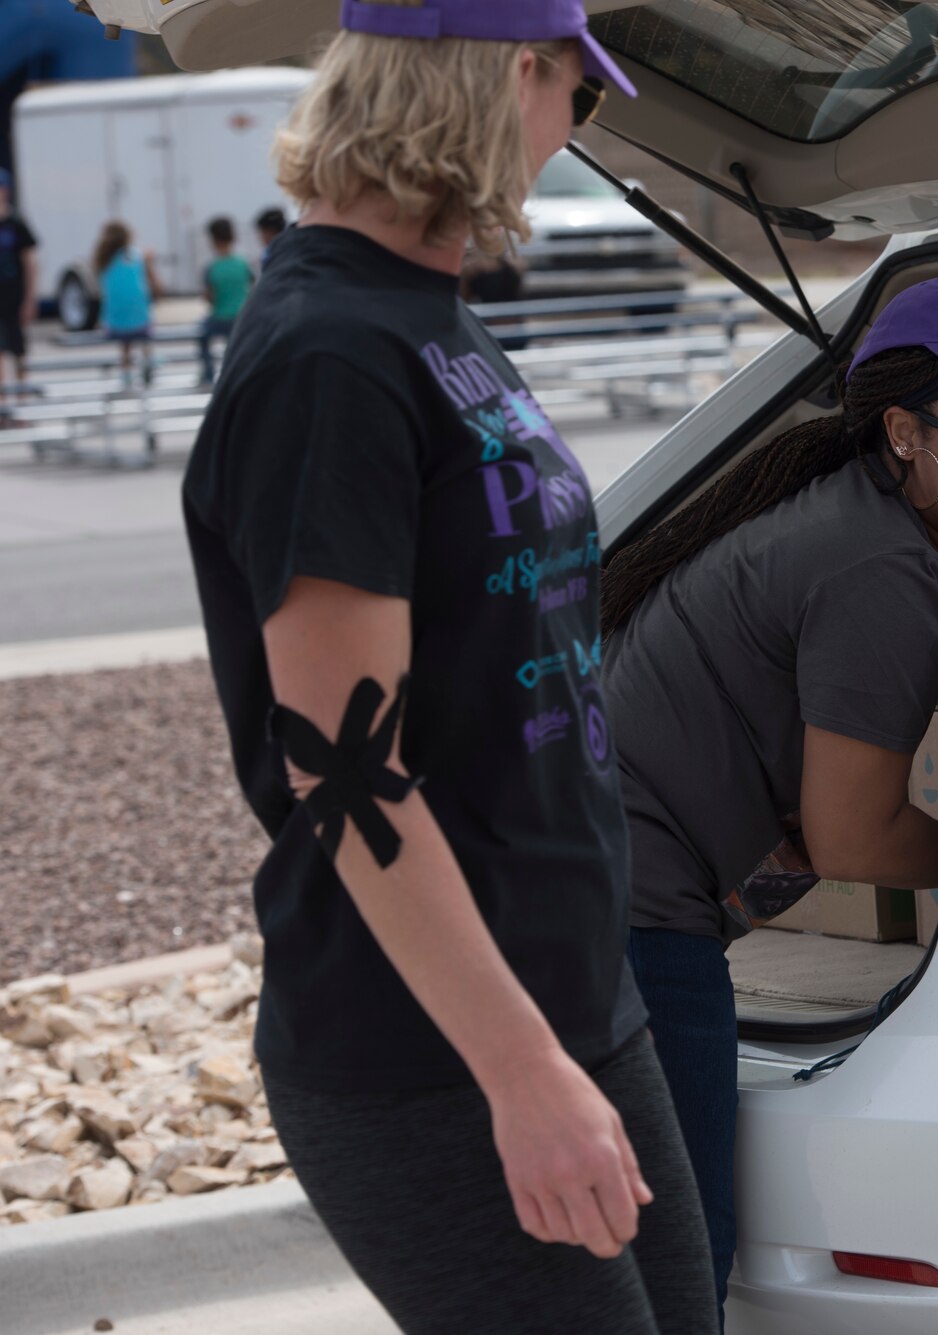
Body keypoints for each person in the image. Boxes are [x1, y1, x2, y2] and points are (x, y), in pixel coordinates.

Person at [179, 1, 717, 1331]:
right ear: (514, 75)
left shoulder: (427, 315)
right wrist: (519, 1071)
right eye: (578, 101)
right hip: (431, 1047)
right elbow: (344, 767)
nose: (569, 137)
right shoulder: (327, 354)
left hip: (572, 994)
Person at [599, 274, 938, 1314]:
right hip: (625, 924)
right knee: (673, 1272)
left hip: (589, 889)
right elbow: (854, 837)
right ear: (906, 434)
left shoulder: (872, 512)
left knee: (621, 1266)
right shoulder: (882, 570)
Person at [93, 221, 154, 389]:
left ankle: (126, 371)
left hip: (114, 322)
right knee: (143, 327)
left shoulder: (102, 259)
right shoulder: (134, 255)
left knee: (125, 342)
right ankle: (148, 359)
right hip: (140, 319)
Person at [197, 216, 254, 386]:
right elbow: (253, 286)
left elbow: (209, 297)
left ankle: (208, 373)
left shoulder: (212, 266)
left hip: (220, 317)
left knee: (201, 335)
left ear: (213, 239)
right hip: (241, 317)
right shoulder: (243, 263)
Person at [0, 167, 36, 415]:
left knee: (19, 350)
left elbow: (30, 262)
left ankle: (23, 405)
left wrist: (30, 298)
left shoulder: (16, 223)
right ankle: (3, 408)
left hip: (14, 295)